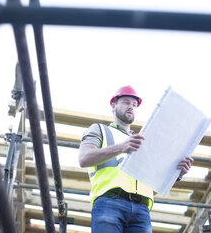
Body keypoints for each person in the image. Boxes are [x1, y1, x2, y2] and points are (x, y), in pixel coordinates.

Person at [79, 85, 194, 233]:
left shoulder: (143, 142)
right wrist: (121, 147)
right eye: (126, 102)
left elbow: (153, 188)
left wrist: (176, 175)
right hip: (109, 201)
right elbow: (84, 158)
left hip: (141, 210)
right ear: (113, 105)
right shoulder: (100, 130)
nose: (131, 107)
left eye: (134, 104)